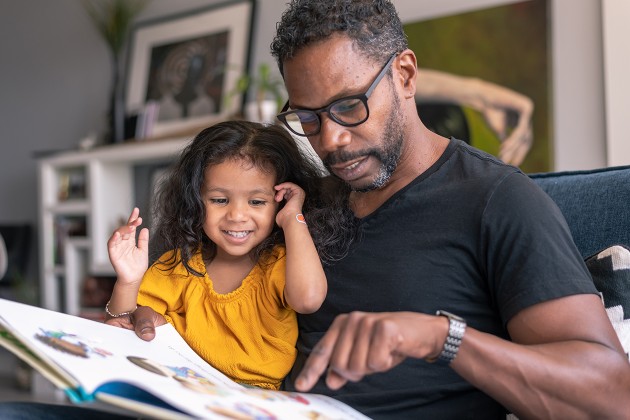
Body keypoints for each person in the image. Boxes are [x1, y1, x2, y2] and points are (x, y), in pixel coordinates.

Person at [265, 0, 630, 418]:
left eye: (349, 106)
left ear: (404, 75)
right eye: (309, 118)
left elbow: (613, 398)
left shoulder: (497, 199)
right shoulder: (302, 204)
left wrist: (443, 338)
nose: (330, 140)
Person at [104, 120, 355, 391]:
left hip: (254, 398)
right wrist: (128, 281)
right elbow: (121, 324)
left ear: (280, 202)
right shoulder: (179, 265)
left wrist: (294, 218)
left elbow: (308, 300)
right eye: (219, 200)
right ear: (195, 201)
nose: (236, 216)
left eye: (257, 202)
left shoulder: (279, 264)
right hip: (181, 385)